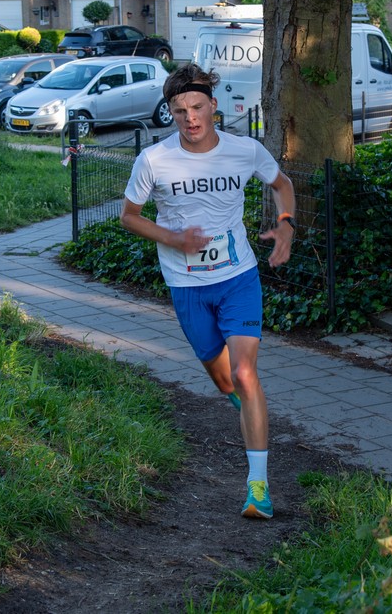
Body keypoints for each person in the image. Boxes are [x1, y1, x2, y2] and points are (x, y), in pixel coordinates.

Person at [120, 63, 296, 519]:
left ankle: (258, 488)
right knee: (224, 380)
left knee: (244, 374)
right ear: (171, 114)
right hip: (186, 286)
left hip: (238, 276)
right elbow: (130, 216)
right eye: (180, 111)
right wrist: (174, 239)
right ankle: (244, 401)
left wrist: (285, 227)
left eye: (197, 107)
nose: (190, 118)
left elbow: (282, 185)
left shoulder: (245, 150)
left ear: (213, 106)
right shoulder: (154, 161)